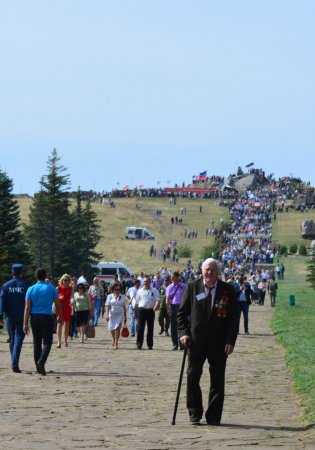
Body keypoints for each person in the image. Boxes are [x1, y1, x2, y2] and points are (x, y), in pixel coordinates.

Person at [177, 258, 239, 425]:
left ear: (217, 272)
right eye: (206, 269)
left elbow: (234, 318)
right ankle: (194, 413)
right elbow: (181, 314)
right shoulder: (192, 287)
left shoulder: (228, 290)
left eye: (212, 269)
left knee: (217, 380)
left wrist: (230, 340)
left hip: (219, 343)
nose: (209, 272)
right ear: (201, 271)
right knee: (192, 376)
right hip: (195, 342)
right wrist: (183, 333)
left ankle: (213, 416)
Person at [23, 268, 60, 376]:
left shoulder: (31, 289)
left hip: (34, 317)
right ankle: (41, 362)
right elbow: (57, 304)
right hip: (47, 317)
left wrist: (25, 323)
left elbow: (27, 307)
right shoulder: (51, 288)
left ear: (36, 276)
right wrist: (58, 316)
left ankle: (38, 366)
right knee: (48, 342)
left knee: (37, 342)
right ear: (45, 276)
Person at [0, 263, 28, 373]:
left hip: (9, 317)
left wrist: (1, 316)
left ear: (12, 272)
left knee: (12, 339)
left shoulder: (6, 286)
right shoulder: (25, 285)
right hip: (22, 316)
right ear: (21, 273)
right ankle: (14, 363)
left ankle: (14, 362)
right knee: (19, 339)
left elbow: (2, 301)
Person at [135, 276, 160, 350]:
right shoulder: (139, 291)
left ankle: (150, 345)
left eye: (147, 281)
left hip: (150, 310)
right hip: (141, 310)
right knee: (140, 328)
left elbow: (158, 300)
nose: (146, 283)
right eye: (145, 281)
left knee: (150, 329)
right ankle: (139, 344)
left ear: (150, 282)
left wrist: (155, 306)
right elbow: (137, 302)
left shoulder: (154, 290)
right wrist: (136, 312)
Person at [166, 271, 186, 350]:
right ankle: (175, 344)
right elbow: (167, 299)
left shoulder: (184, 286)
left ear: (178, 277)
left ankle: (182, 344)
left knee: (181, 325)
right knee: (173, 326)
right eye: (171, 277)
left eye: (173, 277)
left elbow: (187, 296)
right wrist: (168, 308)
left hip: (181, 307)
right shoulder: (169, 287)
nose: (172, 278)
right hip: (173, 307)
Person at [105, 282, 127, 349]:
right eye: (115, 289)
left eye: (118, 289)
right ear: (113, 289)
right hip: (112, 314)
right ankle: (113, 339)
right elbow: (107, 306)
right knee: (111, 328)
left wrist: (125, 316)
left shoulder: (123, 296)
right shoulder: (110, 296)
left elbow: (124, 306)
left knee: (117, 328)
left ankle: (116, 342)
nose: (117, 291)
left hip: (120, 314)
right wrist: (106, 314)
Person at [56, 274, 73, 348]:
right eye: (64, 280)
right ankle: (59, 342)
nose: (66, 281)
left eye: (67, 280)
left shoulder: (71, 288)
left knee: (67, 325)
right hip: (59, 307)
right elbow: (55, 298)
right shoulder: (58, 288)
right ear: (61, 281)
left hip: (67, 307)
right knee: (59, 324)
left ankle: (65, 340)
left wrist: (72, 301)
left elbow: (72, 297)